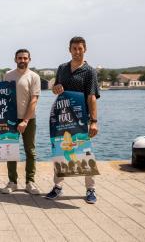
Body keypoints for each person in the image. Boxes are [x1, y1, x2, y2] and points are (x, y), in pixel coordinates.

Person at [45, 36, 100, 204]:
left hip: (81, 118)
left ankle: (90, 189)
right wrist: (56, 88)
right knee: (60, 151)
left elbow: (91, 97)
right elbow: (57, 90)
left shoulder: (90, 71)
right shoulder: (62, 68)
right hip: (62, 116)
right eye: (74, 48)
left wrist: (94, 121)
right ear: (69, 50)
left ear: (85, 49)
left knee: (85, 152)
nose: (77, 51)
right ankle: (58, 187)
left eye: (80, 48)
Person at [1, 49, 41, 195]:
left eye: (25, 58)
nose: (22, 60)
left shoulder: (34, 77)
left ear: (29, 59)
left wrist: (25, 120)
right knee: (10, 151)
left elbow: (34, 100)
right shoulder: (8, 75)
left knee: (30, 151)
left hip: (29, 119)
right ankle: (12, 182)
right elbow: (3, 97)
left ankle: (30, 182)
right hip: (10, 119)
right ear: (15, 59)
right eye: (19, 58)